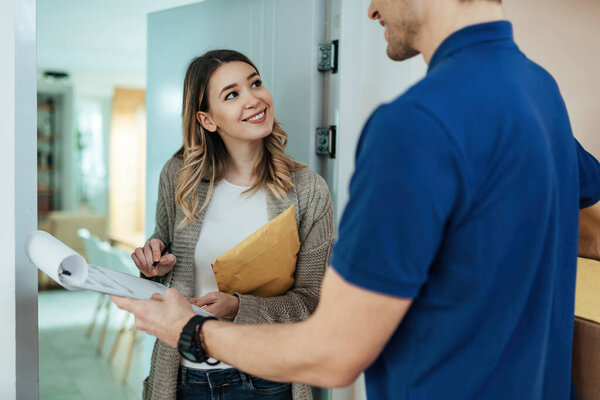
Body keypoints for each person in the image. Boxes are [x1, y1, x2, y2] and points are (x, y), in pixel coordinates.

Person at [113, 0, 600, 399]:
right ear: (206, 119)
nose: (370, 11)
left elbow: (336, 351)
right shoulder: (541, 91)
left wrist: (189, 331)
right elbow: (590, 231)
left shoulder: (413, 127)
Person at [129, 50, 334, 400]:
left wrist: (240, 308)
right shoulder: (178, 175)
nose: (254, 99)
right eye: (232, 94)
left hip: (266, 379)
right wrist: (153, 266)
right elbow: (163, 254)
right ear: (207, 120)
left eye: (255, 83)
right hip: (184, 377)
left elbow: (311, 304)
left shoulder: (307, 189)